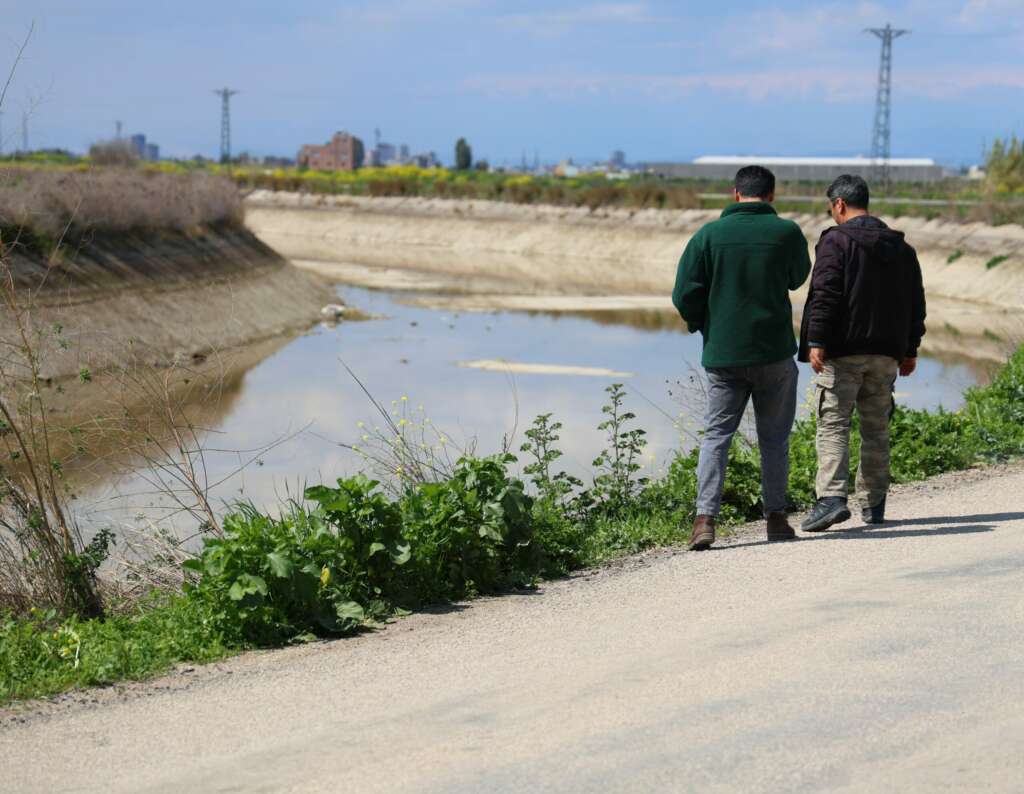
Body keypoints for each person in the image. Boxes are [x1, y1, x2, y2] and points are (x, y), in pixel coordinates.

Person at [673, 165, 812, 550]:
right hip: (775, 353)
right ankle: (776, 518)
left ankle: (705, 520)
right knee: (774, 439)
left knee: (716, 436)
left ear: (735, 194)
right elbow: (798, 276)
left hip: (723, 355)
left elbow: (684, 292)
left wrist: (703, 326)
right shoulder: (786, 232)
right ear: (771, 196)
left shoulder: (708, 235)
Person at [798, 174, 926, 531]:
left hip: (843, 352)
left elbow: (825, 292)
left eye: (831, 208)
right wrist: (910, 349)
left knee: (834, 424)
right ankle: (874, 504)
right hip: (887, 354)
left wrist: (816, 340)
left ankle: (832, 499)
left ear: (839, 204)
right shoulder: (901, 248)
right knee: (876, 429)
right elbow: (916, 301)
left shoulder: (835, 242)